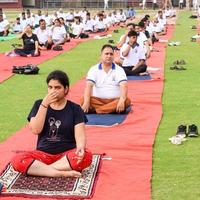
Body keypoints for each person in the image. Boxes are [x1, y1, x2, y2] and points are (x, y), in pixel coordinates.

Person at [11, 70, 92, 178]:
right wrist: (44, 105)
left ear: (66, 89)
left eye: (57, 88)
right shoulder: (39, 104)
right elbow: (36, 130)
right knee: (18, 160)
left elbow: (80, 133)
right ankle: (58, 173)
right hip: (43, 155)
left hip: (66, 155)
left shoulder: (75, 108)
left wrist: (80, 147)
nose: (53, 91)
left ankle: (42, 170)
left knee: (86, 155)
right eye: (50, 87)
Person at [81, 44, 131, 114]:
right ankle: (110, 109)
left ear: (113, 56)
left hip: (114, 100)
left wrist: (122, 101)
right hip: (98, 100)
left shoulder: (119, 70)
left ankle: (97, 110)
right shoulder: (93, 69)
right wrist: (86, 102)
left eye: (111, 54)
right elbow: (89, 86)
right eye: (106, 54)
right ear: (101, 56)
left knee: (126, 101)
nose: (109, 56)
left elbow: (124, 86)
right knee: (83, 100)